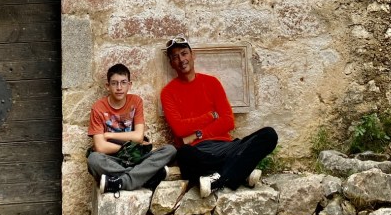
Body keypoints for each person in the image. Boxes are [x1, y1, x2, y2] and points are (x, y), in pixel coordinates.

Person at [160, 35, 278, 197]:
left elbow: (228, 121)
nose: (181, 59)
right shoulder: (168, 92)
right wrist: (210, 116)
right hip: (197, 151)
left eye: (184, 53)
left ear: (192, 55)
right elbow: (180, 129)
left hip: (226, 147)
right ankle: (239, 172)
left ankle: (217, 178)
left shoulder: (211, 83)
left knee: (268, 135)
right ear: (171, 63)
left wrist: (198, 134)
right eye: (175, 57)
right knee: (184, 153)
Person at [87, 62, 177, 195]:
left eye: (123, 82)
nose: (119, 87)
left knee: (170, 150)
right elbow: (100, 147)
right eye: (114, 83)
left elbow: (138, 137)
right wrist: (132, 146)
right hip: (113, 160)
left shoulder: (136, 101)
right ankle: (145, 176)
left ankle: (120, 182)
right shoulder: (98, 107)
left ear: (130, 85)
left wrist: (108, 135)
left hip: (136, 158)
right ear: (108, 86)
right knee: (94, 160)